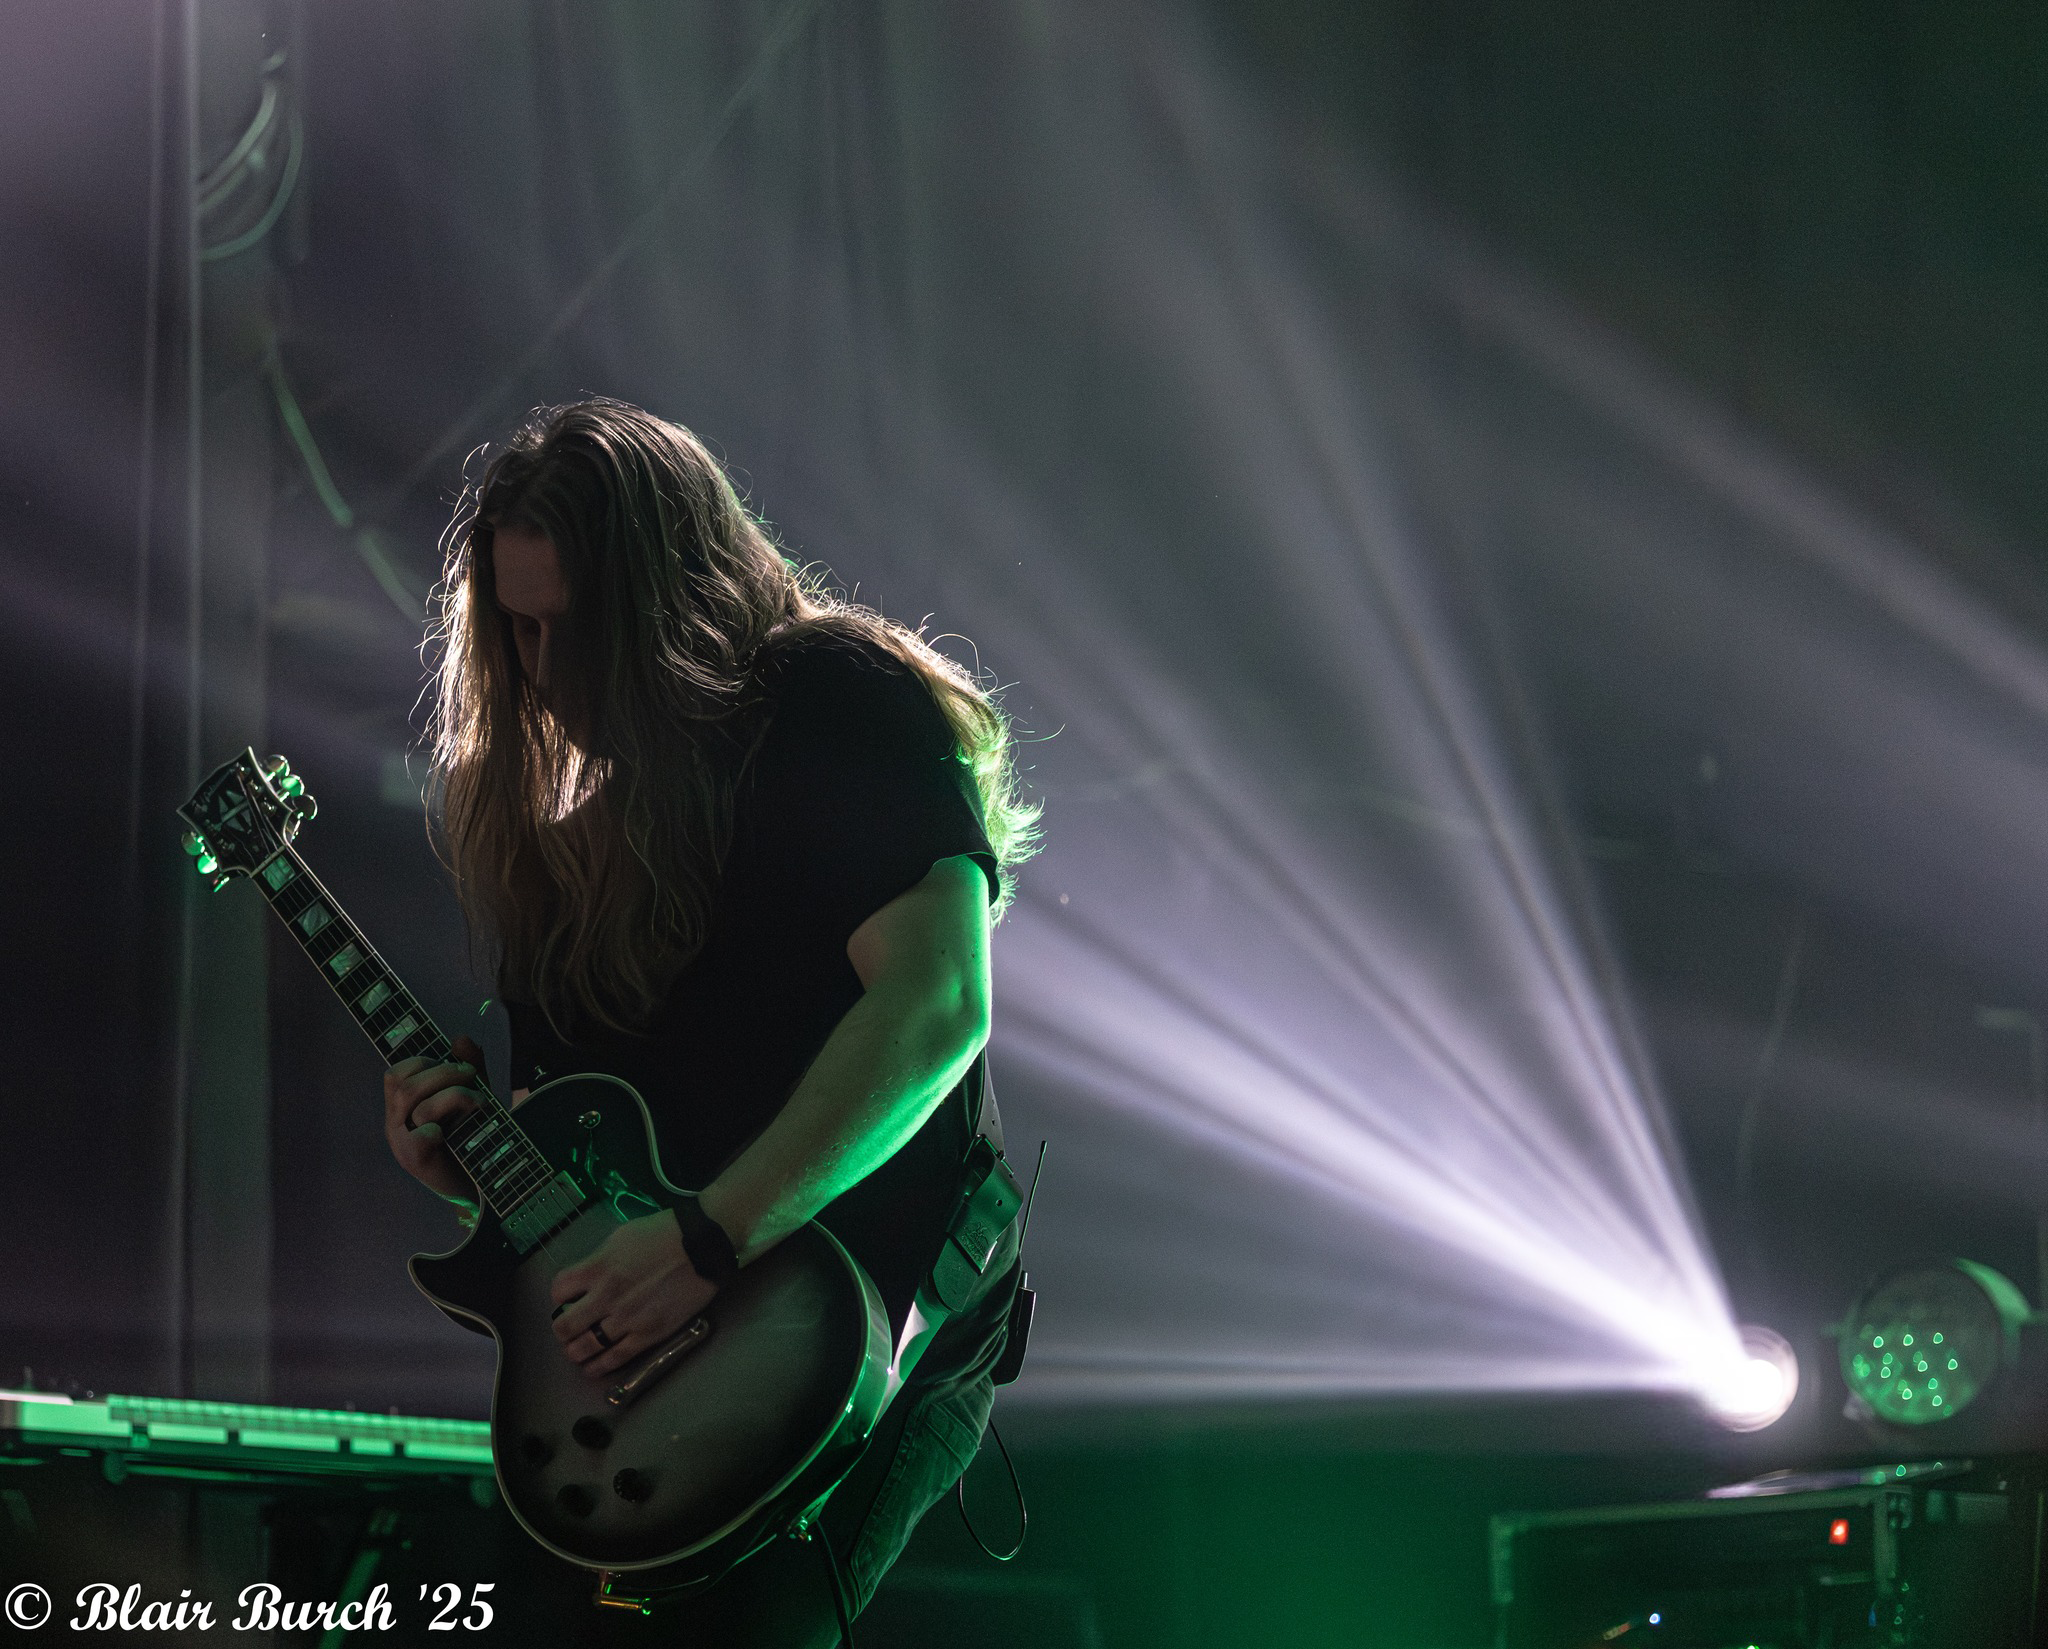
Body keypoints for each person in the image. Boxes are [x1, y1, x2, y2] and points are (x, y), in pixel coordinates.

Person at [377, 399, 1037, 1643]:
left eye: (571, 626)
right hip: (668, 1367)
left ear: (671, 603)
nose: (540, 670)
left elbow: (936, 1004)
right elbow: (584, 1171)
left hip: (861, 1324)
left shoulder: (833, 698)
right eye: (513, 630)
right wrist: (463, 1165)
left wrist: (707, 1240)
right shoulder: (572, 853)